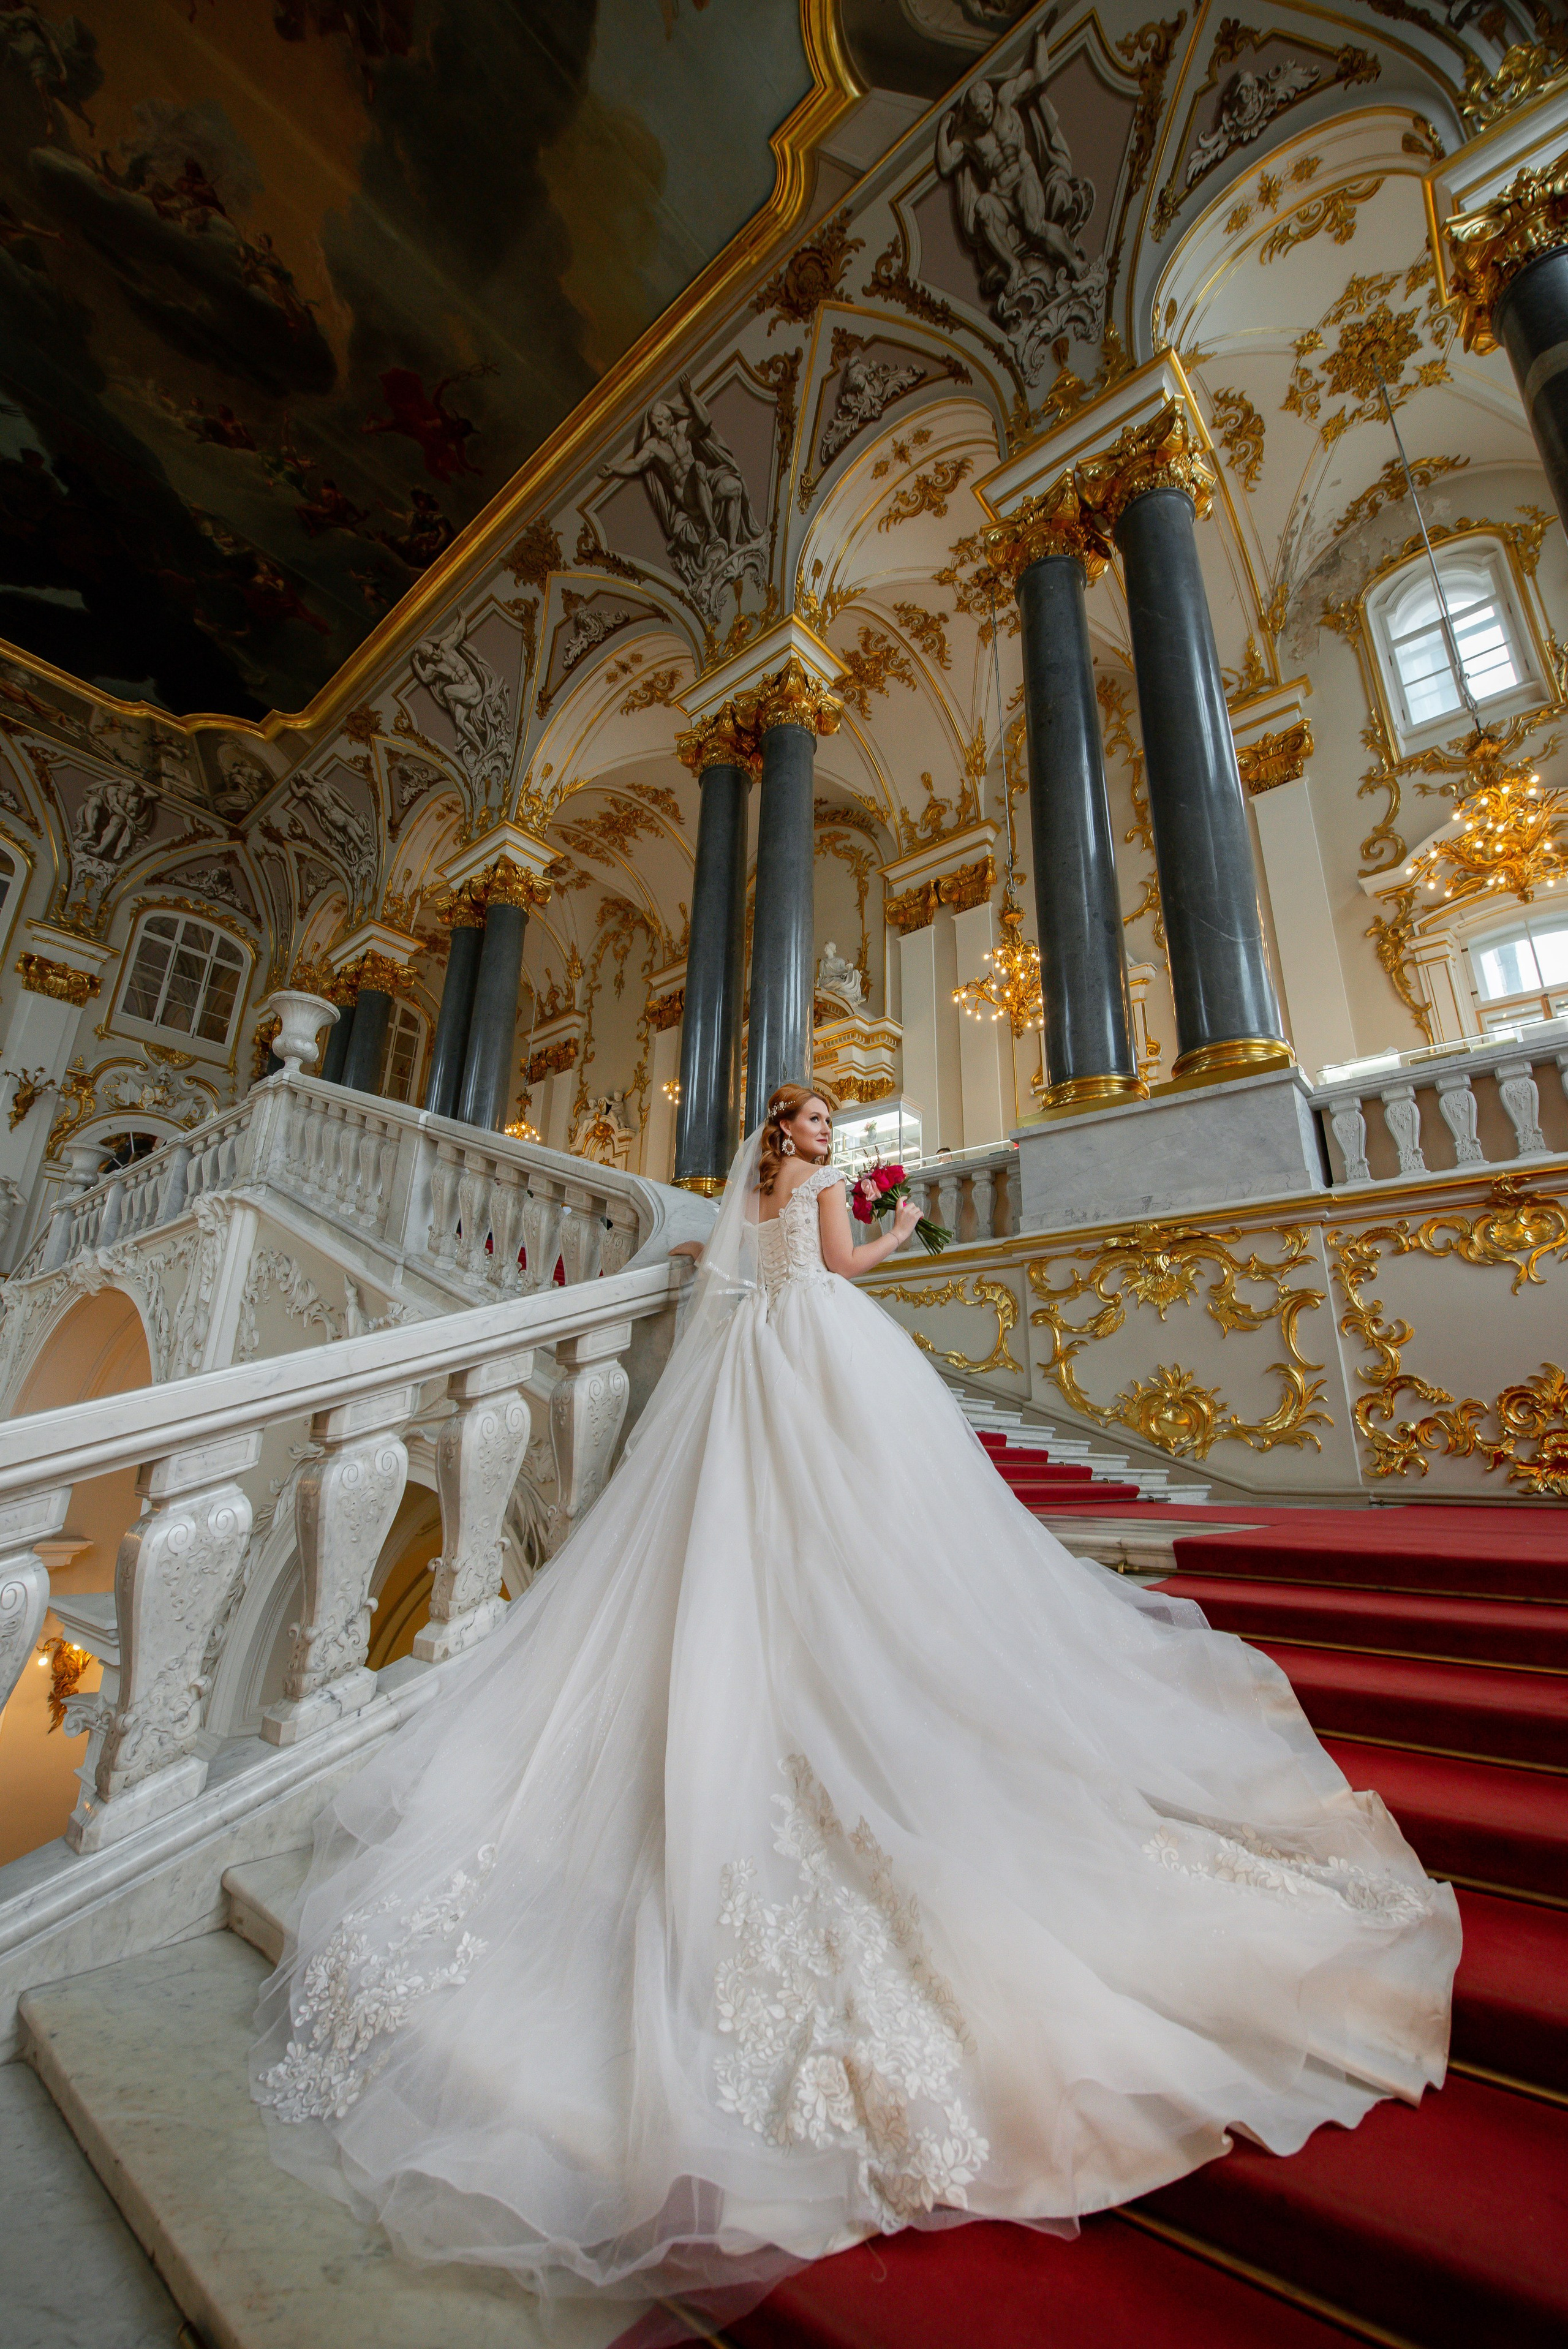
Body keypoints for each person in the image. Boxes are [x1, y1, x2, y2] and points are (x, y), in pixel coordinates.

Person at [252, 1084, 1458, 2340]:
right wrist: (899, 1224)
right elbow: (839, 1268)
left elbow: (722, 1266)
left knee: (755, 1535)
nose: (829, 1141)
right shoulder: (822, 1198)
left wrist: (735, 1240)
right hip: (819, 1352)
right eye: (819, 1124)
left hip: (750, 1371)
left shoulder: (752, 1189)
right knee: (855, 1525)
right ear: (796, 1138)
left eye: (832, 1126)